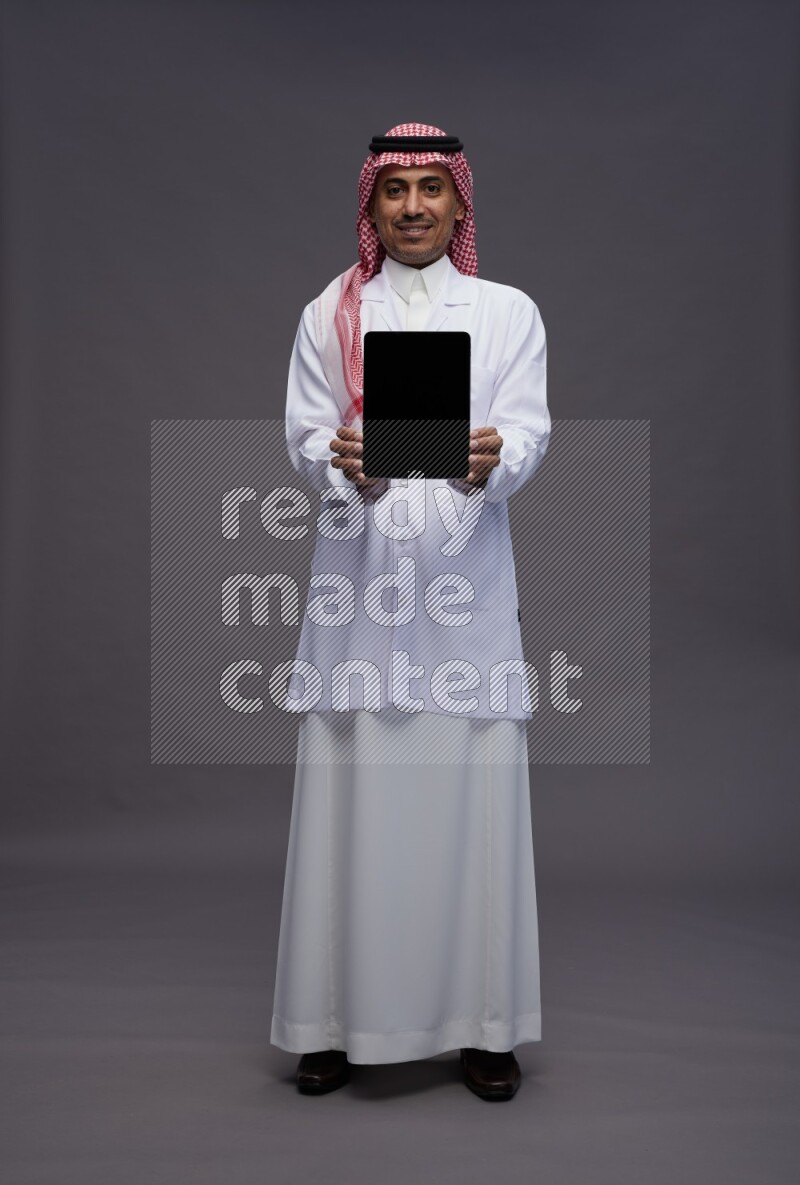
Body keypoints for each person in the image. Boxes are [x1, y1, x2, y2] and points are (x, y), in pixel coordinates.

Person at [270, 123, 551, 1101]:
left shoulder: (507, 313)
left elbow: (525, 430)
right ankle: (330, 1023)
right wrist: (334, 460)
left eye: (433, 189)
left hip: (462, 595)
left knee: (468, 803)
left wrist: (495, 461)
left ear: (460, 204)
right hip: (358, 590)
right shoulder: (331, 313)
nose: (415, 208)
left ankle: (483, 1027)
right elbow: (306, 434)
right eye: (396, 192)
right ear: (371, 204)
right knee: (352, 801)